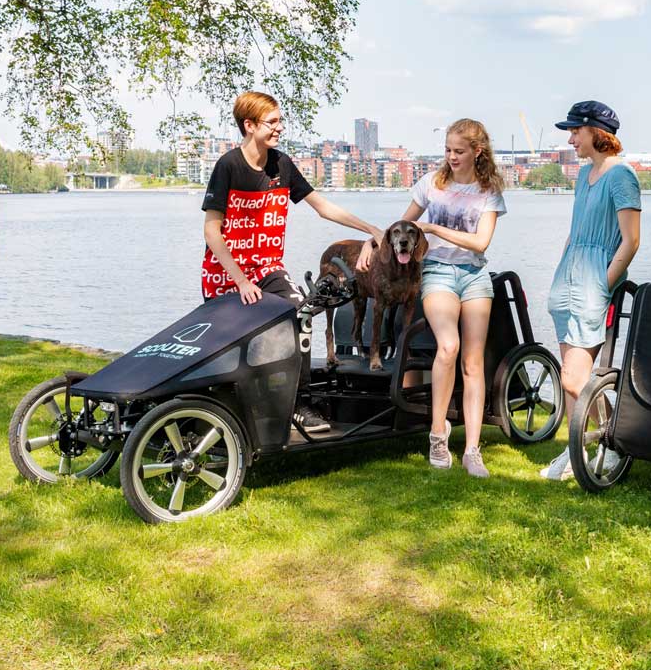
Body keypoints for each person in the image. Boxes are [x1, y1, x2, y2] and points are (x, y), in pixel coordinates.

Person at [202, 91, 384, 432]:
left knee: (301, 313)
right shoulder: (228, 166)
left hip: (267, 268)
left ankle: (299, 404)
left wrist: (370, 229)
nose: (280, 128)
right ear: (249, 125)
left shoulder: (282, 164)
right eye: (272, 122)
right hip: (227, 274)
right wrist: (241, 280)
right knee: (231, 345)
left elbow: (322, 207)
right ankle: (224, 410)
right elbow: (212, 231)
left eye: (280, 121)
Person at [356, 119, 506, 477]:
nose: (451, 157)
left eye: (459, 151)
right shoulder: (431, 184)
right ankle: (438, 435)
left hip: (474, 276)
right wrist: (368, 241)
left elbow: (481, 243)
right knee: (448, 347)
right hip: (438, 272)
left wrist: (435, 228)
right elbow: (398, 227)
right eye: (448, 150)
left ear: (477, 151)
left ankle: (472, 450)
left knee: (473, 363)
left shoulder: (488, 192)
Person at [540, 100, 641, 480]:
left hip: (592, 283)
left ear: (597, 133)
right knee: (570, 376)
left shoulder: (622, 176)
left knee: (573, 378)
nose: (570, 140)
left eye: (575, 132)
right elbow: (576, 231)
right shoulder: (584, 175)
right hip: (567, 279)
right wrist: (561, 270)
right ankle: (576, 451)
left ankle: (615, 443)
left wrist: (603, 284)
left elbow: (631, 241)